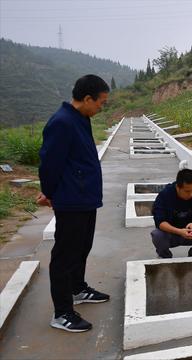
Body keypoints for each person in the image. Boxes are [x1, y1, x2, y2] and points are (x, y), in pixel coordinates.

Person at [37, 74, 111, 333]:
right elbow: (50, 163)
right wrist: (49, 192)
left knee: (82, 247)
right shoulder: (62, 122)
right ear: (87, 98)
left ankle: (77, 288)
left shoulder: (81, 119)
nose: (102, 108)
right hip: (71, 200)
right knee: (64, 256)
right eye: (101, 102)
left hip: (85, 198)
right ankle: (62, 313)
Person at [151, 169, 192, 258]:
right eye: (187, 191)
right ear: (178, 187)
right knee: (157, 235)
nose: (191, 194)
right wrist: (179, 231)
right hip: (172, 234)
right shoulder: (165, 195)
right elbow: (160, 222)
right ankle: (165, 257)